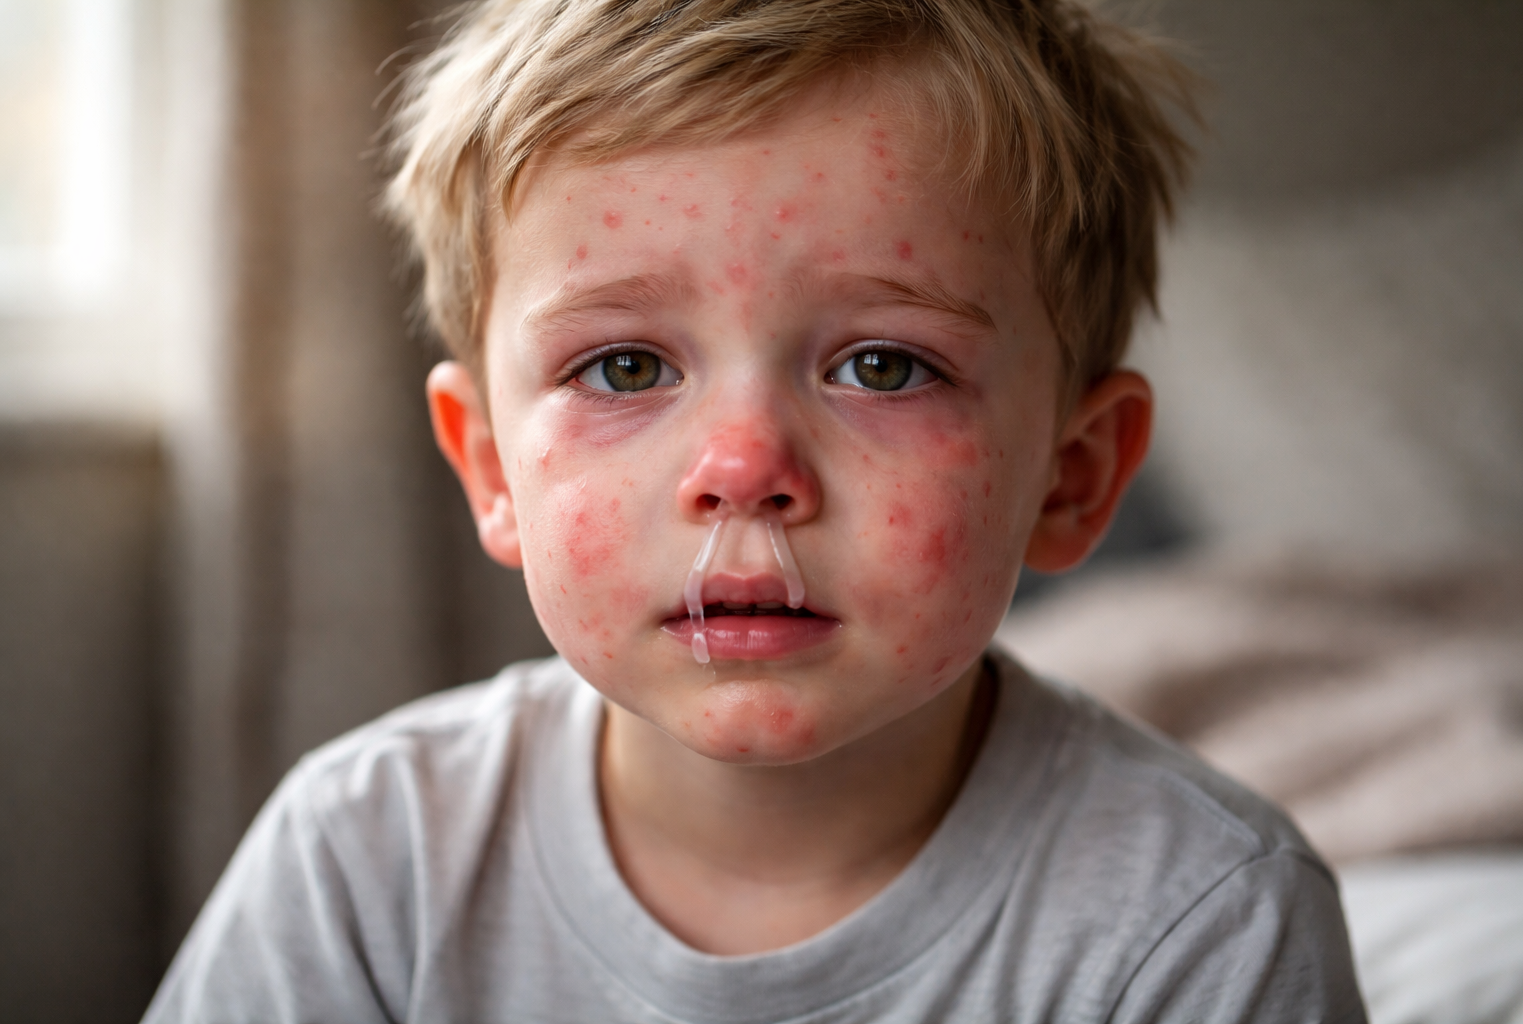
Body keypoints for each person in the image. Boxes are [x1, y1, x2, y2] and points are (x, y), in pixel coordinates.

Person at [144, 0, 1367, 1020]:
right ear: (492, 471)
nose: (743, 465)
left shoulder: (1204, 919)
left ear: (1073, 475)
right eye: (624, 367)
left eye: (883, 366)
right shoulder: (365, 862)